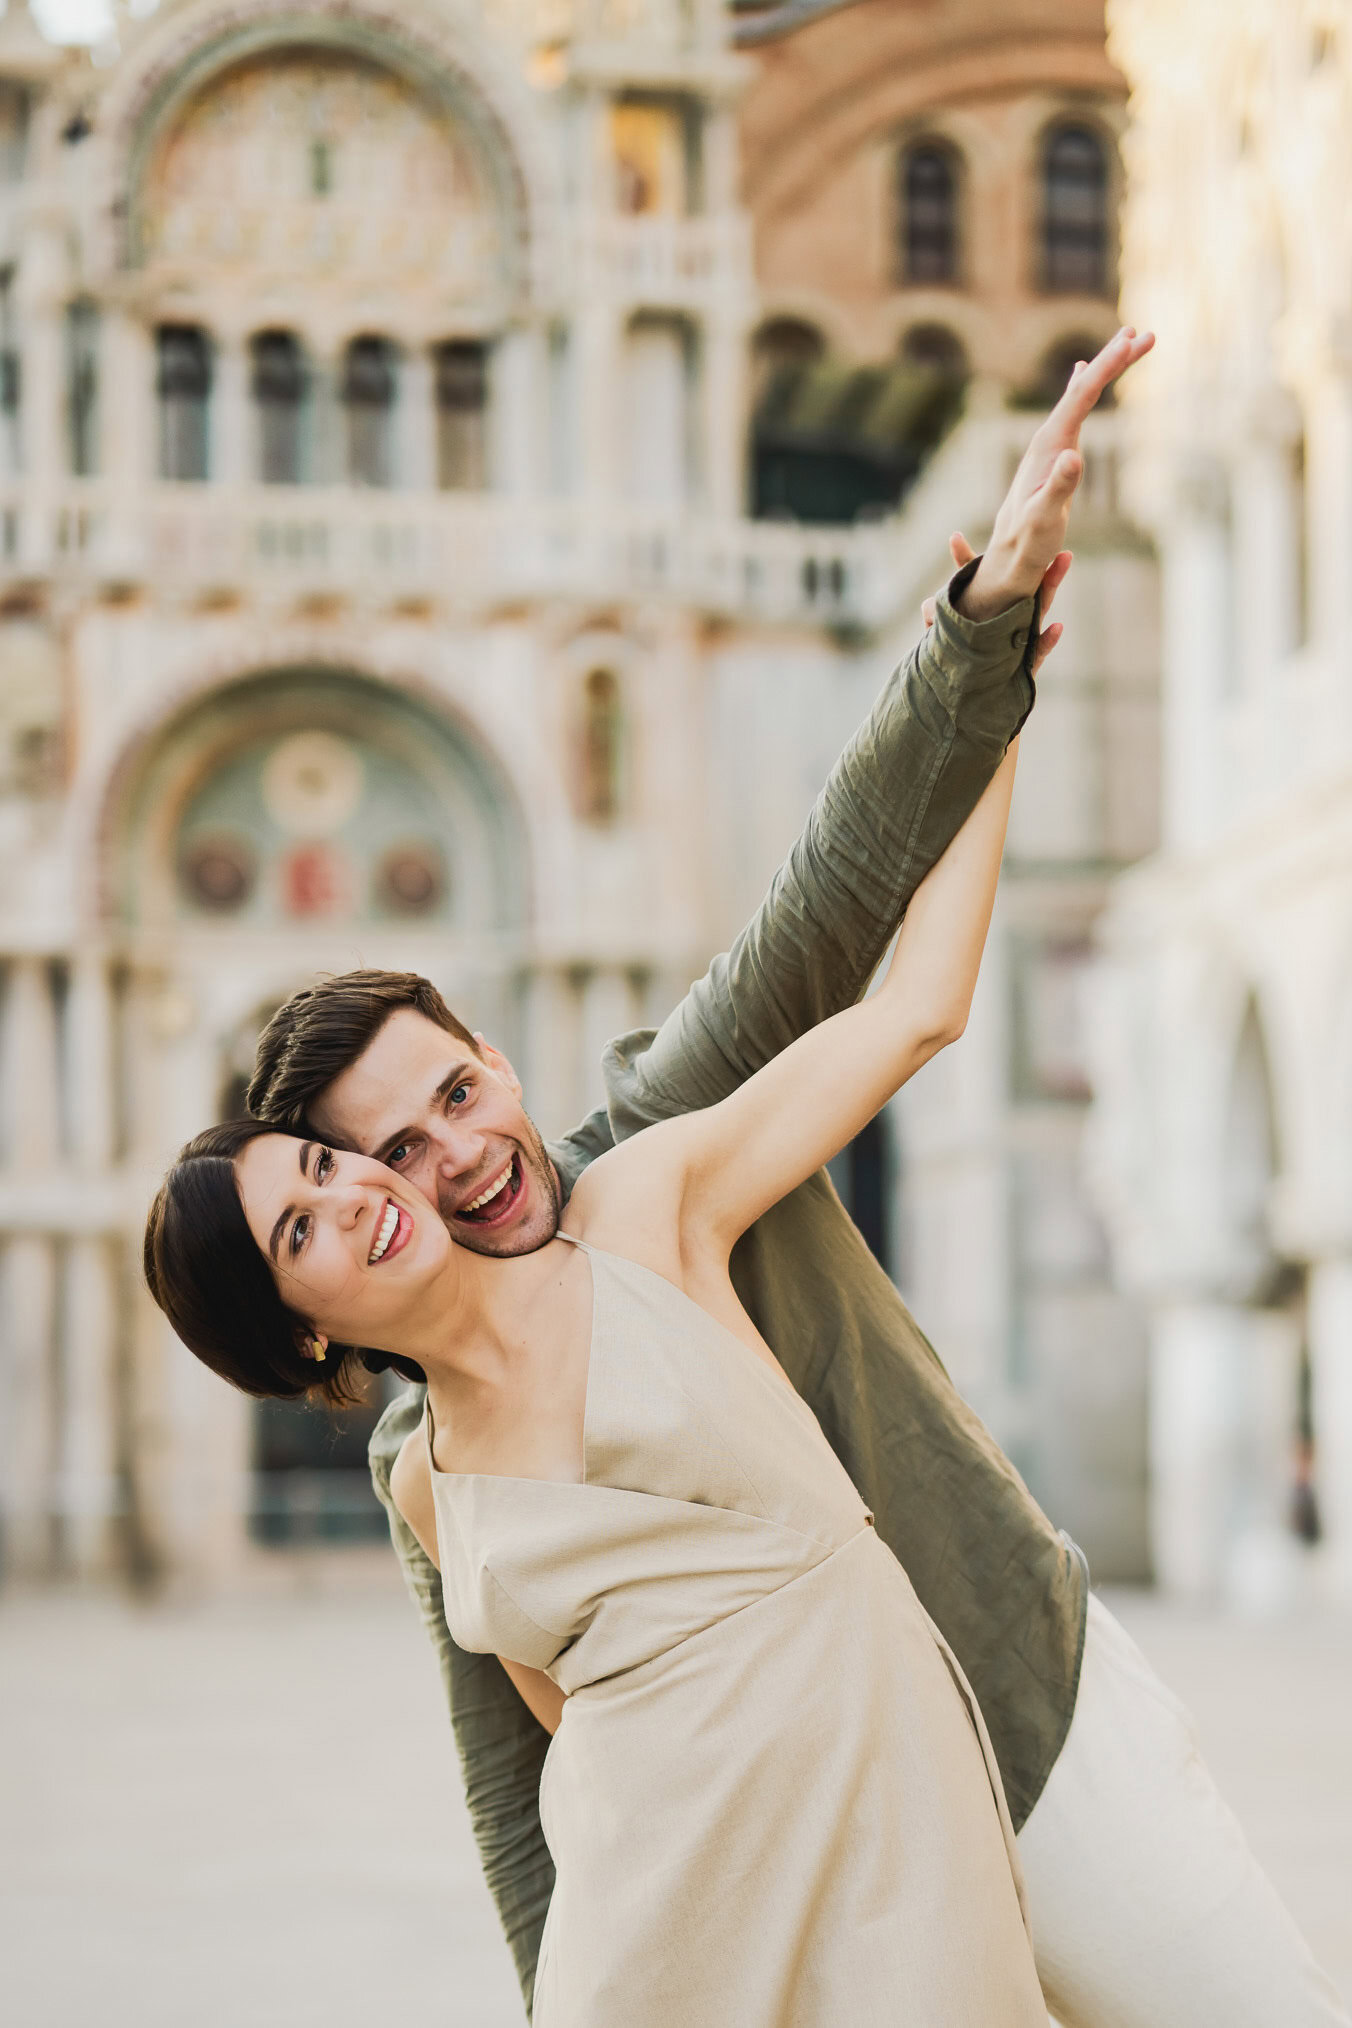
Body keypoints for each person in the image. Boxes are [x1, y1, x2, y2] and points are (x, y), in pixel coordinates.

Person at [240, 334, 1347, 2028]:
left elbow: (839, 915)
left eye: (459, 1093)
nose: (457, 1159)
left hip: (1024, 1716)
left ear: (503, 1062)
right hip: (802, 1876)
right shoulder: (424, 1466)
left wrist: (987, 626)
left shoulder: (653, 1155)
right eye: (392, 1154)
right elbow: (528, 1775)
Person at [147, 721, 1049, 2026]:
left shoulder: (645, 1209)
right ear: (299, 1333)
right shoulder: (423, 1485)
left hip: (897, 1816)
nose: (351, 1202)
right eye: (299, 1231)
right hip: (661, 1930)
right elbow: (575, 1737)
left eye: (328, 1170)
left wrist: (993, 720)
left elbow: (917, 1009)